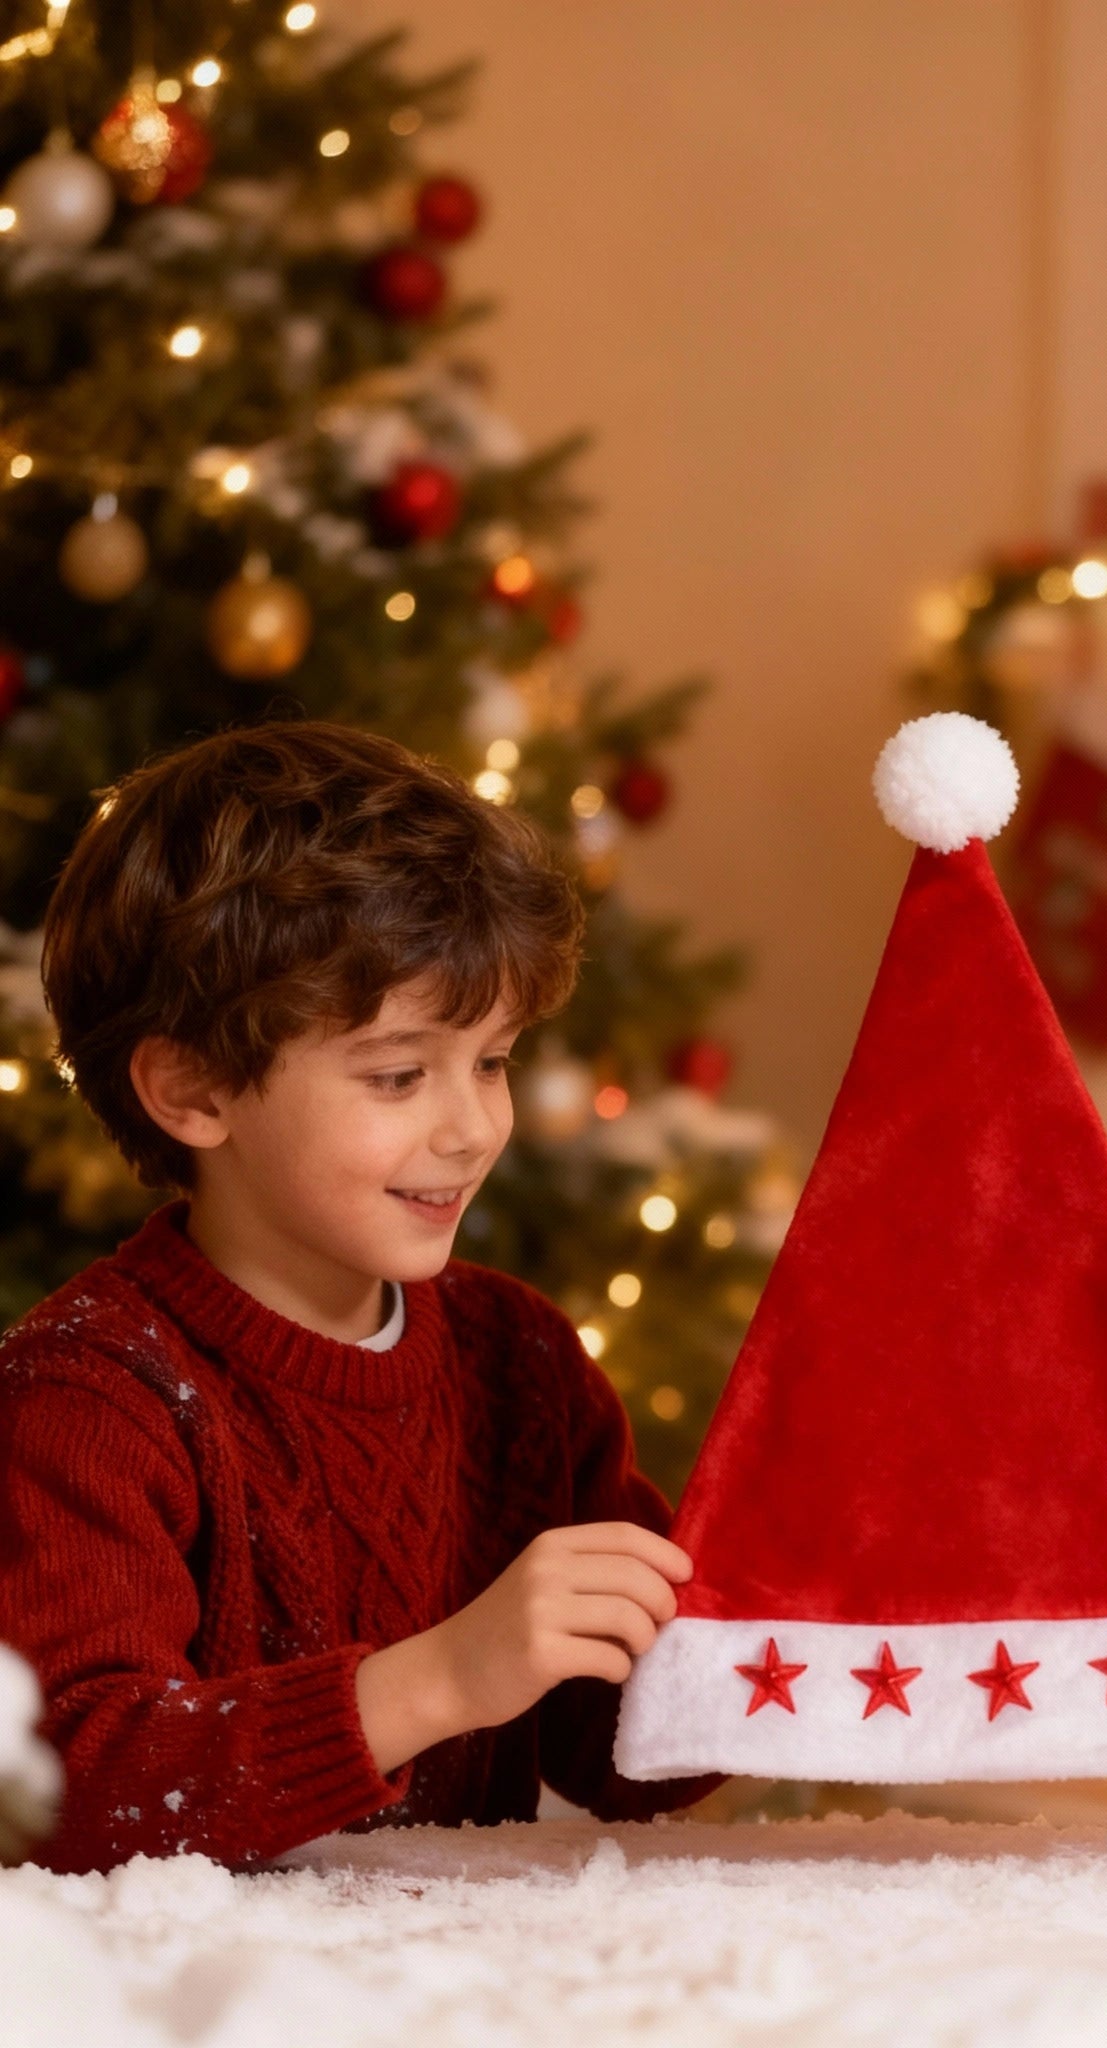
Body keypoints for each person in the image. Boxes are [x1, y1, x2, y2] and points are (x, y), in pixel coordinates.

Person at [0, 723, 712, 1873]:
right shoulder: (85, 1396)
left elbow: (638, 1759)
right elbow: (71, 1799)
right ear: (191, 1088)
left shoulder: (517, 1352)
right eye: (397, 1073)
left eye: (491, 1060)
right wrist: (439, 1678)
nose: (471, 1125)